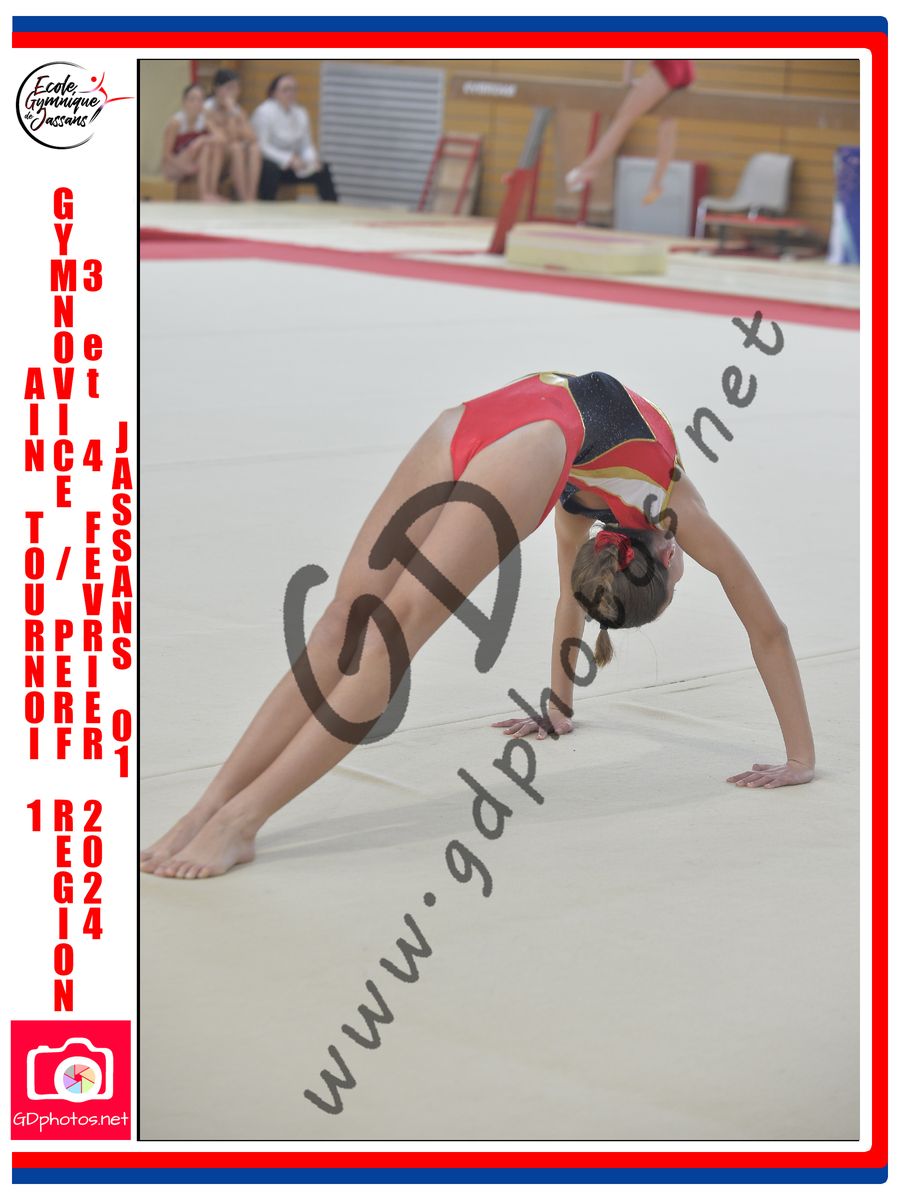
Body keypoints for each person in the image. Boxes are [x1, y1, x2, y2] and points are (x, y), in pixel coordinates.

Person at [140, 369, 816, 880]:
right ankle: (239, 819)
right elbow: (767, 630)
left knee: (345, 618)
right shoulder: (671, 511)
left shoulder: (594, 504)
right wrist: (800, 760)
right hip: (531, 445)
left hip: (476, 420)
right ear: (664, 558)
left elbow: (571, 599)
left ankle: (207, 807)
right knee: (394, 630)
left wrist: (559, 708)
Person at [566, 60, 695, 205]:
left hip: (667, 67)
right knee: (667, 129)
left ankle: (588, 169)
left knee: (623, 119)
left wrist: (627, 80)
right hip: (686, 68)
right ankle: (656, 183)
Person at [251, 74, 339, 202]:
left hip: (294, 164)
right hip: (270, 162)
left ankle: (331, 206)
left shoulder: (301, 112)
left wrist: (311, 159)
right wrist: (288, 159)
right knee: (270, 169)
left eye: (294, 89)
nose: (290, 93)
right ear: (273, 93)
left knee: (323, 168)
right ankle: (266, 205)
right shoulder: (263, 112)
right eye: (285, 90)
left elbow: (306, 144)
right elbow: (262, 146)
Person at [203, 68, 262, 202]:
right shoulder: (207, 108)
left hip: (232, 151)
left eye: (236, 88)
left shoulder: (237, 109)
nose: (234, 93)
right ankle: (243, 196)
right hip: (215, 153)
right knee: (236, 147)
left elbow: (252, 137)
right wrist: (231, 113)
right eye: (229, 88)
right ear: (216, 88)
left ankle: (251, 196)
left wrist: (234, 115)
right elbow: (226, 138)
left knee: (254, 149)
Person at [161, 83, 226, 203]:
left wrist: (201, 139)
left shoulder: (203, 120)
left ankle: (211, 192)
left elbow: (222, 138)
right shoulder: (176, 122)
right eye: (192, 99)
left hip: (192, 164)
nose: (196, 103)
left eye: (200, 100)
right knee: (206, 147)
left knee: (213, 147)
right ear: (184, 102)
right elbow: (166, 156)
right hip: (174, 167)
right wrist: (184, 167)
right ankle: (203, 194)